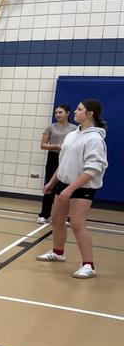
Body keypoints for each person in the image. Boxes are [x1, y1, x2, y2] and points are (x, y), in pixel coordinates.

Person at [36, 99, 108, 279]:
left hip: (82, 187)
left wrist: (71, 189)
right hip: (64, 184)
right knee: (57, 219)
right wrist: (52, 182)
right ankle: (58, 252)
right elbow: (64, 162)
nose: (75, 112)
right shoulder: (72, 135)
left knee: (77, 224)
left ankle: (89, 265)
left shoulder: (95, 138)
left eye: (79, 109)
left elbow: (93, 169)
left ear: (90, 114)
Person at [37, 104, 76, 223]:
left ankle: (67, 216)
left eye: (60, 112)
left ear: (67, 113)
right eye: (56, 113)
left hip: (68, 158)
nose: (58, 115)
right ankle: (44, 214)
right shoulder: (51, 127)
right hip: (53, 157)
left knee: (67, 185)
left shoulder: (74, 129)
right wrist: (56, 146)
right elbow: (43, 145)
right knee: (50, 185)